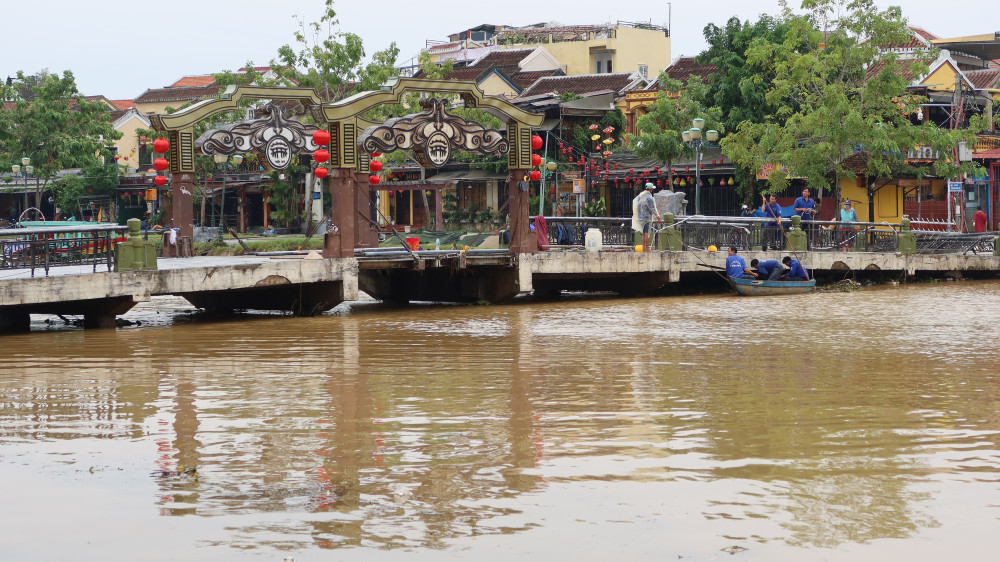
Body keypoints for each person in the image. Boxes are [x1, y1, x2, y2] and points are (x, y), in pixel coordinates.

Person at [636, 182, 662, 252]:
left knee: (643, 233)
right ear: (650, 189)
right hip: (647, 218)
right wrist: (658, 218)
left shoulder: (641, 197)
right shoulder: (649, 198)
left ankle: (644, 248)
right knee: (647, 233)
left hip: (641, 218)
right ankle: (647, 248)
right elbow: (653, 209)